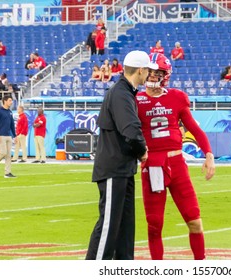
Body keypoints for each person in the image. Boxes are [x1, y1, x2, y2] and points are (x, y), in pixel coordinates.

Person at [136, 53, 215, 260]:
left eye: (157, 72)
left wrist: (209, 154)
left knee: (194, 220)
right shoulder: (135, 100)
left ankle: (201, 265)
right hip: (152, 165)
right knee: (155, 225)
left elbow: (194, 129)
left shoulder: (177, 97)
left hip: (177, 163)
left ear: (166, 75)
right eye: (150, 72)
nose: (153, 76)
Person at [85, 50, 156, 260]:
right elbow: (131, 130)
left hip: (122, 168)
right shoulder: (121, 93)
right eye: (147, 71)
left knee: (124, 229)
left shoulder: (125, 92)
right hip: (114, 169)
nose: (148, 76)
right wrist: (142, 151)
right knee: (109, 226)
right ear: (141, 70)